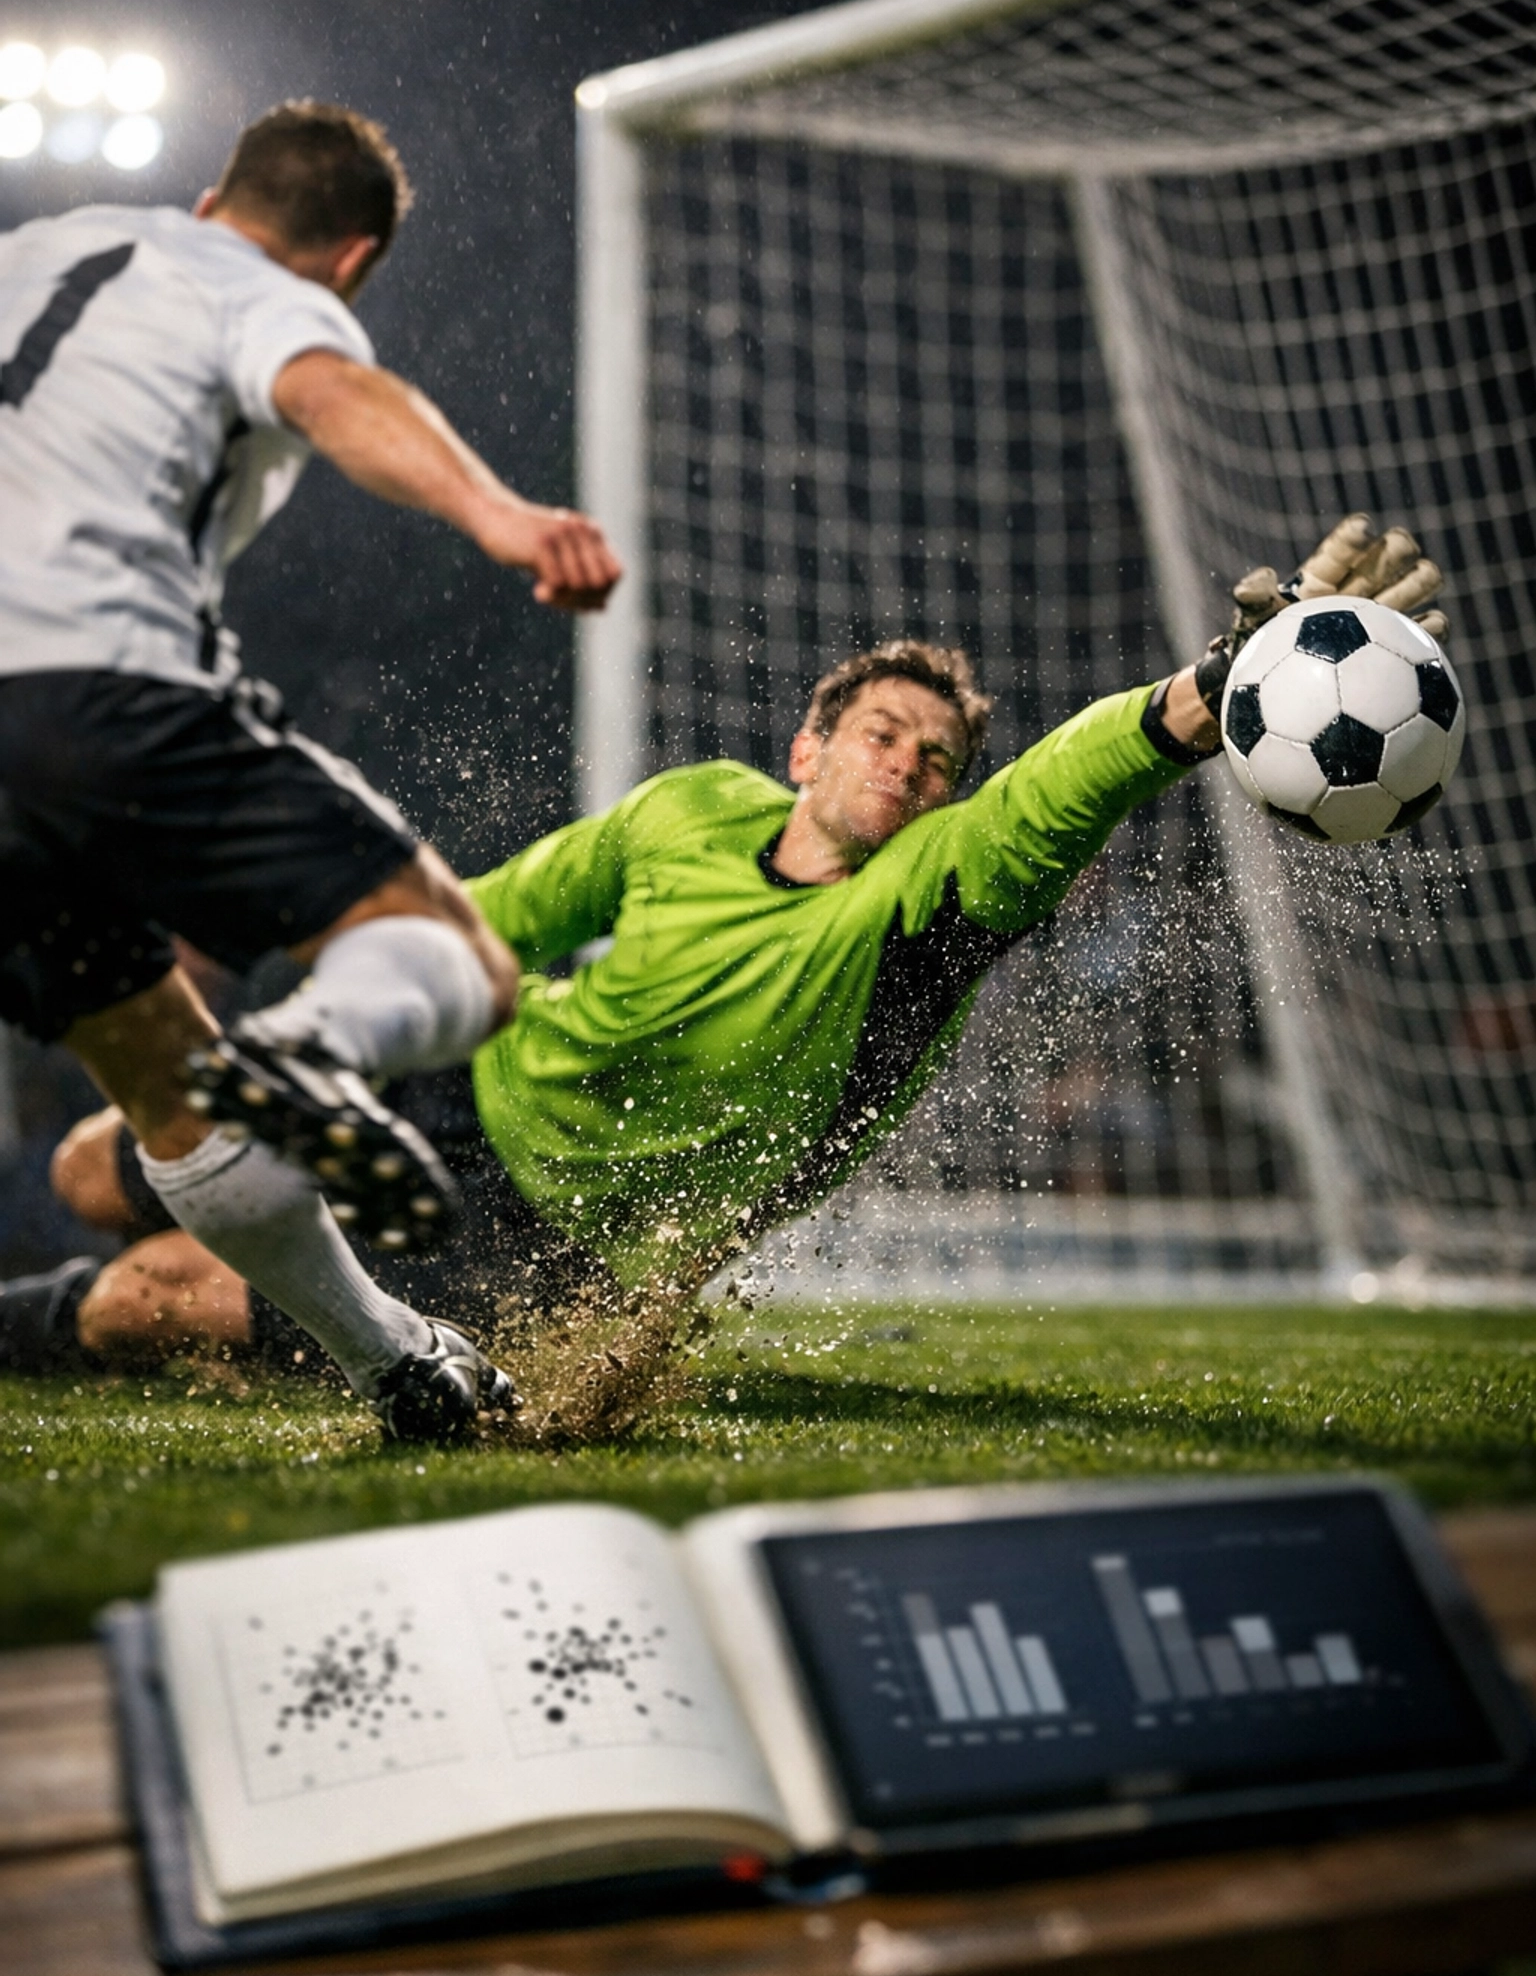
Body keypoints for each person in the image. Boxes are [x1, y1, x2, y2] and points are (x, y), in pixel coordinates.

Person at [6, 517, 1448, 1398]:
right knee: (92, 1157)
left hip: (548, 1248)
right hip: (461, 1086)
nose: (911, 765)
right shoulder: (688, 807)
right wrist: (323, 998)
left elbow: (1065, 782)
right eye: (884, 734)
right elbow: (484, 920)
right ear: (808, 748)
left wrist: (1213, 691)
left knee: (155, 1299)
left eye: (937, 759)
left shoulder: (927, 904)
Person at [0, 99, 621, 1441]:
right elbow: (335, 395)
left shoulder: (40, 249)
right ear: (347, 261)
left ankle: (399, 1361)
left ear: (223, 189)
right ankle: (314, 1050)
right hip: (89, 686)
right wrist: (502, 514)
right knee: (458, 962)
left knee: (168, 1089)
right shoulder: (258, 293)